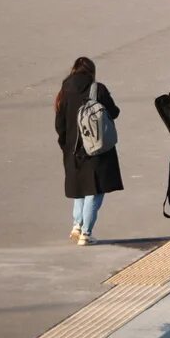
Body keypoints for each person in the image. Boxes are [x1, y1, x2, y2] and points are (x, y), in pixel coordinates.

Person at [54, 56, 123, 246]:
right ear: (91, 71)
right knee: (95, 189)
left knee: (80, 189)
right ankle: (86, 232)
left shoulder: (64, 90)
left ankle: (77, 225)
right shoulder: (97, 89)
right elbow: (114, 112)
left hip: (72, 148)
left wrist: (65, 145)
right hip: (96, 147)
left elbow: (59, 122)